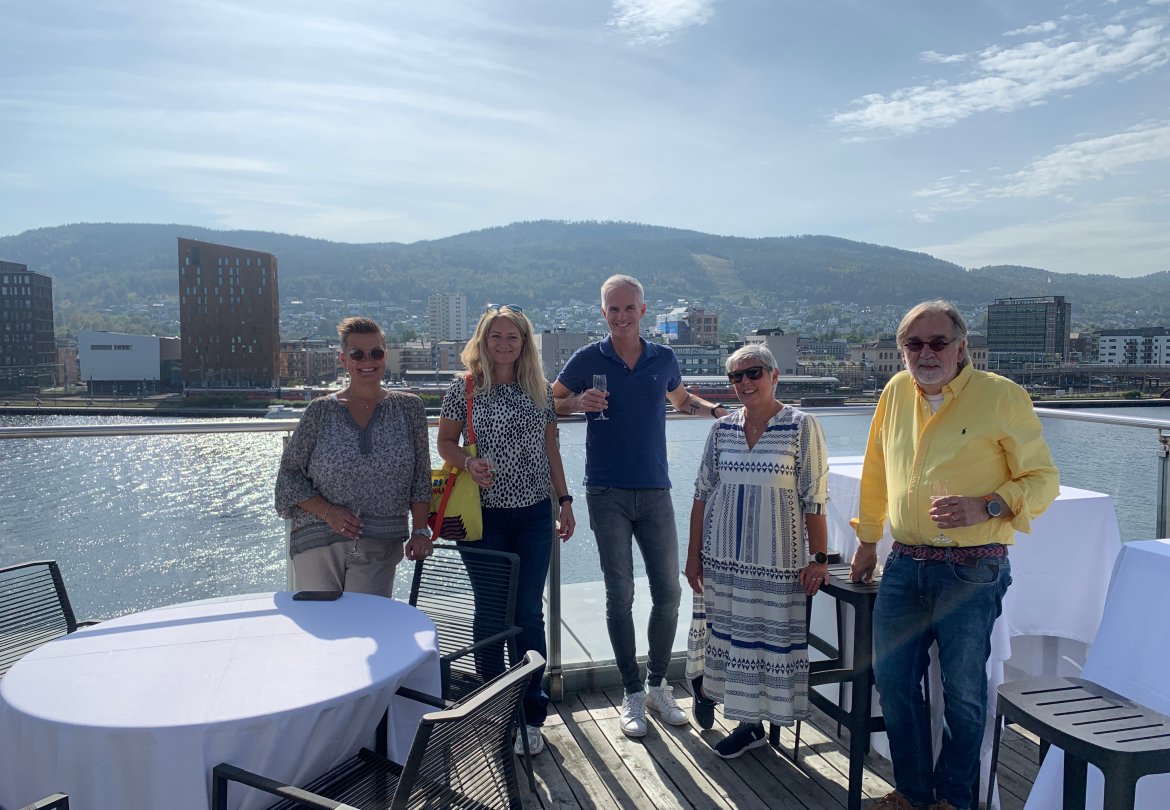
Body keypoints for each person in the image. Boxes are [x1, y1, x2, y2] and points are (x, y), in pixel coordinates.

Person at [849, 300, 1059, 810]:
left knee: (963, 695)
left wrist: (988, 504)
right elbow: (876, 468)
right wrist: (868, 539)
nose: (926, 353)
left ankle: (955, 800)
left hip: (972, 567)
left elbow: (1042, 479)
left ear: (961, 347)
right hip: (904, 563)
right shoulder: (895, 391)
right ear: (902, 350)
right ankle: (913, 793)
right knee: (894, 682)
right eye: (914, 344)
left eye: (938, 342)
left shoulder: (1000, 396)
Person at [552, 274, 730, 738]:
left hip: (655, 490)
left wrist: (717, 413)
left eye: (629, 308)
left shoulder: (662, 358)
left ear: (643, 311)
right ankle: (631, 692)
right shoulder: (587, 358)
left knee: (669, 593)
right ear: (603, 312)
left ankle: (656, 685)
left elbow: (682, 400)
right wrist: (578, 401)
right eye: (613, 309)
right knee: (621, 595)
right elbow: (551, 403)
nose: (622, 316)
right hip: (606, 491)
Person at [437, 305, 576, 757]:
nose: (503, 344)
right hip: (483, 518)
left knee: (528, 614)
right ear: (482, 341)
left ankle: (531, 712)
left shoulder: (540, 389)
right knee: (492, 613)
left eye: (512, 337)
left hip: (535, 514)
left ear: (524, 343)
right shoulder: (464, 387)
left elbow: (551, 449)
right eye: (495, 336)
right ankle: (494, 708)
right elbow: (445, 443)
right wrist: (468, 463)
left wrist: (565, 500)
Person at [684, 345, 830, 758]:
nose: (745, 382)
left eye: (754, 373)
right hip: (723, 556)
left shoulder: (801, 426)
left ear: (774, 375)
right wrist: (693, 556)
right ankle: (738, 716)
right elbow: (701, 494)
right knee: (729, 635)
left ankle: (754, 725)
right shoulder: (722, 429)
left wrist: (819, 559)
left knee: (767, 642)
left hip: (776, 561)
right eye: (737, 376)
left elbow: (815, 498)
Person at [275, 316, 433, 596]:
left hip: (380, 543)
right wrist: (329, 512)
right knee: (322, 620)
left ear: (385, 356)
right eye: (357, 354)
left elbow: (421, 477)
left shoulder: (409, 409)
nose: (367, 361)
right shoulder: (319, 411)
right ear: (343, 359)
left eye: (376, 353)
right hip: (318, 538)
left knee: (367, 619)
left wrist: (420, 530)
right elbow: (289, 475)